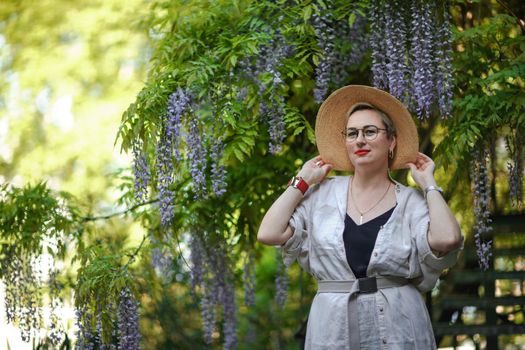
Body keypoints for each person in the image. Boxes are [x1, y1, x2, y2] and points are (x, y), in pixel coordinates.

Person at [257, 85, 463, 349]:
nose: (360, 140)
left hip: (399, 328)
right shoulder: (321, 196)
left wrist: (429, 184)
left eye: (370, 131)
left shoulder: (411, 201)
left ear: (391, 141)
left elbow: (448, 240)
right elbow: (268, 233)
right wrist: (302, 181)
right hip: (333, 329)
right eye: (352, 133)